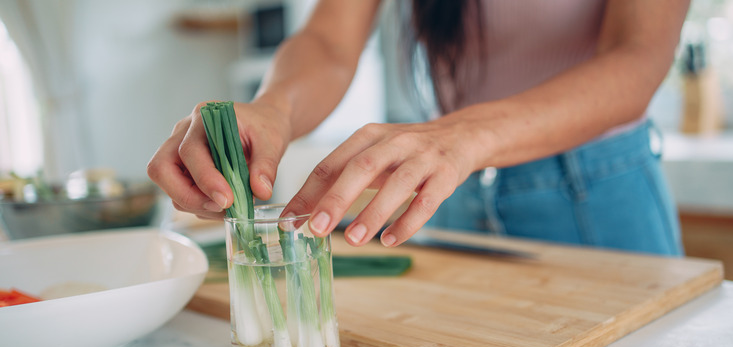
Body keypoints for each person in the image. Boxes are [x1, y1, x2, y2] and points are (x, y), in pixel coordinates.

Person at [147, 0, 689, 255]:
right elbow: (331, 40)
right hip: (452, 191)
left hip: (597, 191)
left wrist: (465, 135)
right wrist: (274, 109)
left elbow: (639, 58)